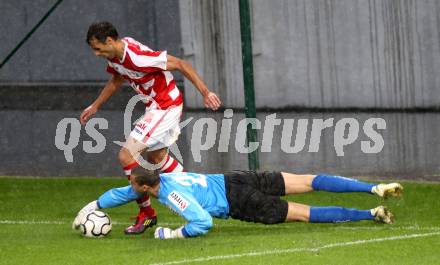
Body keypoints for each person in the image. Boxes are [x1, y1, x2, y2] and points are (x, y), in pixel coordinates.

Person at [75, 21, 221, 235]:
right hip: (156, 106)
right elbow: (116, 80)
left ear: (109, 41)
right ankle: (196, 194)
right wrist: (95, 106)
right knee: (156, 157)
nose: (96, 54)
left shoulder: (136, 57)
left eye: (98, 48)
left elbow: (181, 64)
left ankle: (147, 213)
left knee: (126, 155)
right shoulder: (114, 56)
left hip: (165, 106)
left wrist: (206, 93)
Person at [73, 167, 403, 239]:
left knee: (306, 215)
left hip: (239, 200)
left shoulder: (173, 195)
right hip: (236, 178)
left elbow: (202, 222)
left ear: (146, 186)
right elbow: (124, 192)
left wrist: (171, 235)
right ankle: (373, 188)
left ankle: (370, 213)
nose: (129, 185)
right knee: (308, 180)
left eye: (133, 183)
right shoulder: (167, 175)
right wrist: (94, 205)